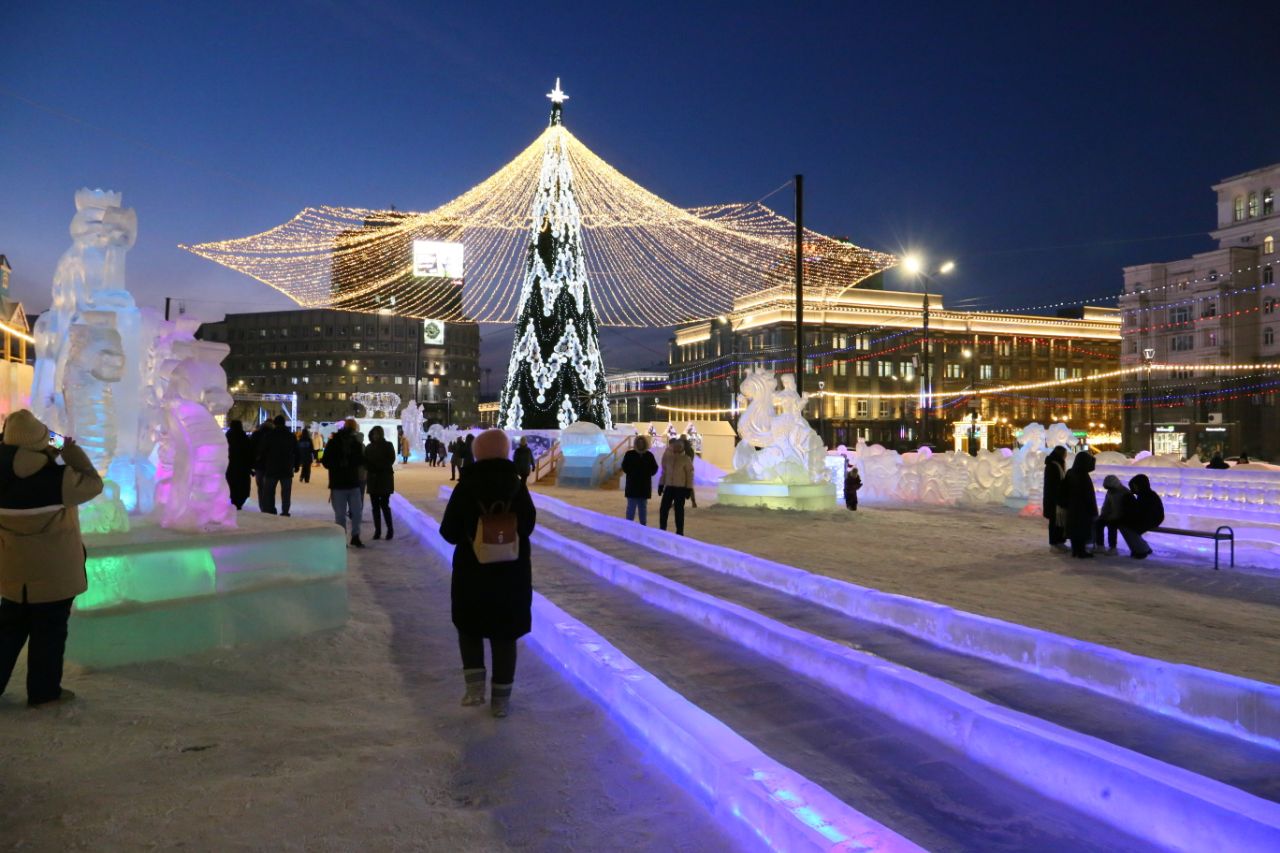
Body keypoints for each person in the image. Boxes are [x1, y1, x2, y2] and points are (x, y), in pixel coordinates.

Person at [0, 409, 104, 707]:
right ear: (41, 442)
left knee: (8, 631)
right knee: (49, 633)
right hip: (55, 574)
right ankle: (44, 693)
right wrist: (64, 445)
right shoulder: (59, 479)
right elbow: (94, 483)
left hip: (12, 572)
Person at [438, 429, 536, 718]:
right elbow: (528, 526)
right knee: (505, 636)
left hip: (473, 572)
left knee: (469, 628)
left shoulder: (466, 486)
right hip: (511, 573)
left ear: (477, 453)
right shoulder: (518, 486)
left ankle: (474, 689)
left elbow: (449, 532)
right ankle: (501, 700)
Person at [323, 418, 365, 548]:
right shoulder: (354, 444)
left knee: (341, 514)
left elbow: (326, 461)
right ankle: (355, 536)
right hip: (351, 482)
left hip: (339, 483)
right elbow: (361, 461)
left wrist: (337, 465)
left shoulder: (334, 442)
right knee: (356, 512)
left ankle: (344, 538)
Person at [1059, 451, 1098, 558]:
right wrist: (1093, 511)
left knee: (1074, 529)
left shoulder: (1071, 472)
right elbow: (1089, 495)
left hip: (1072, 506)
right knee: (1081, 529)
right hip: (1082, 508)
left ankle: (1076, 550)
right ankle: (1081, 551)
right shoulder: (1083, 476)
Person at [258, 415, 299, 516]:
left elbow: (263, 451)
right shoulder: (291, 436)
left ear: (274, 424)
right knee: (286, 492)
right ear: (284, 423)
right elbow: (296, 452)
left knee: (269, 492)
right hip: (286, 468)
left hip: (272, 468)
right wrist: (296, 465)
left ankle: (270, 510)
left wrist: (261, 464)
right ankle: (285, 511)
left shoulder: (269, 436)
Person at [1120, 474, 1164, 559]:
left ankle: (1141, 550)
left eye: (1134, 486)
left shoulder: (1147, 496)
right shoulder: (1145, 494)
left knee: (1127, 527)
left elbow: (1142, 512)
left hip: (1151, 519)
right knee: (1125, 525)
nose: (1132, 489)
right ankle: (1142, 548)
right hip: (1149, 518)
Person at [364, 425, 397, 541]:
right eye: (374, 434)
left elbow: (391, 459)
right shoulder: (369, 447)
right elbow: (365, 461)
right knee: (375, 507)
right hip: (373, 479)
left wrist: (379, 466)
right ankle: (377, 531)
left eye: (378, 434)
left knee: (384, 505)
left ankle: (390, 529)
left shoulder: (388, 445)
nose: (376, 436)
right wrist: (371, 467)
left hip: (384, 478)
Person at [658, 437, 695, 536]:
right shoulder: (669, 458)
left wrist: (688, 488)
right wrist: (661, 484)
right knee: (663, 509)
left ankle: (679, 531)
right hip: (669, 487)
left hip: (680, 488)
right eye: (675, 446)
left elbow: (690, 475)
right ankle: (662, 528)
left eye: (679, 447)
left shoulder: (686, 459)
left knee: (679, 510)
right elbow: (664, 472)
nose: (677, 448)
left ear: (682, 448)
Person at [620, 436, 659, 525]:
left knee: (643, 508)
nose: (640, 444)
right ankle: (629, 525)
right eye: (639, 442)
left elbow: (654, 467)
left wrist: (648, 473)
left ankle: (643, 526)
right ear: (636, 444)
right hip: (632, 485)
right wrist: (632, 473)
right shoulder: (629, 454)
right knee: (631, 507)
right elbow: (624, 466)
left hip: (644, 486)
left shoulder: (649, 455)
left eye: (642, 443)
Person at [1094, 474, 1130, 554]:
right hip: (1111, 515)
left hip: (1121, 517)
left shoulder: (1125, 492)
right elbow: (1106, 504)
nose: (1109, 490)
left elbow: (1121, 509)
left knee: (1112, 525)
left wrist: (1112, 517)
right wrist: (1103, 515)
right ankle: (1100, 546)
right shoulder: (1110, 492)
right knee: (1098, 523)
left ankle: (1113, 547)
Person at [1042, 446, 1068, 550]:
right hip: (1054, 498)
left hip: (1055, 497)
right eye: (1065, 453)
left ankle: (1059, 541)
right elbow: (1054, 484)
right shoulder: (1053, 466)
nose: (1066, 456)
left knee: (1059, 520)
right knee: (1054, 521)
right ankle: (1054, 542)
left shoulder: (1056, 464)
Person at [225, 419, 253, 510]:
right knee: (241, 486)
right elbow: (249, 453)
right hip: (242, 468)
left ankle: (232, 501)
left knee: (231, 485)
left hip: (229, 467)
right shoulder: (243, 437)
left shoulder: (227, 437)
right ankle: (238, 502)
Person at [683, 437, 699, 508]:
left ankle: (693, 502)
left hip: (686, 471)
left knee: (682, 487)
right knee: (689, 487)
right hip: (688, 471)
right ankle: (693, 502)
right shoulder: (690, 450)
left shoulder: (686, 451)